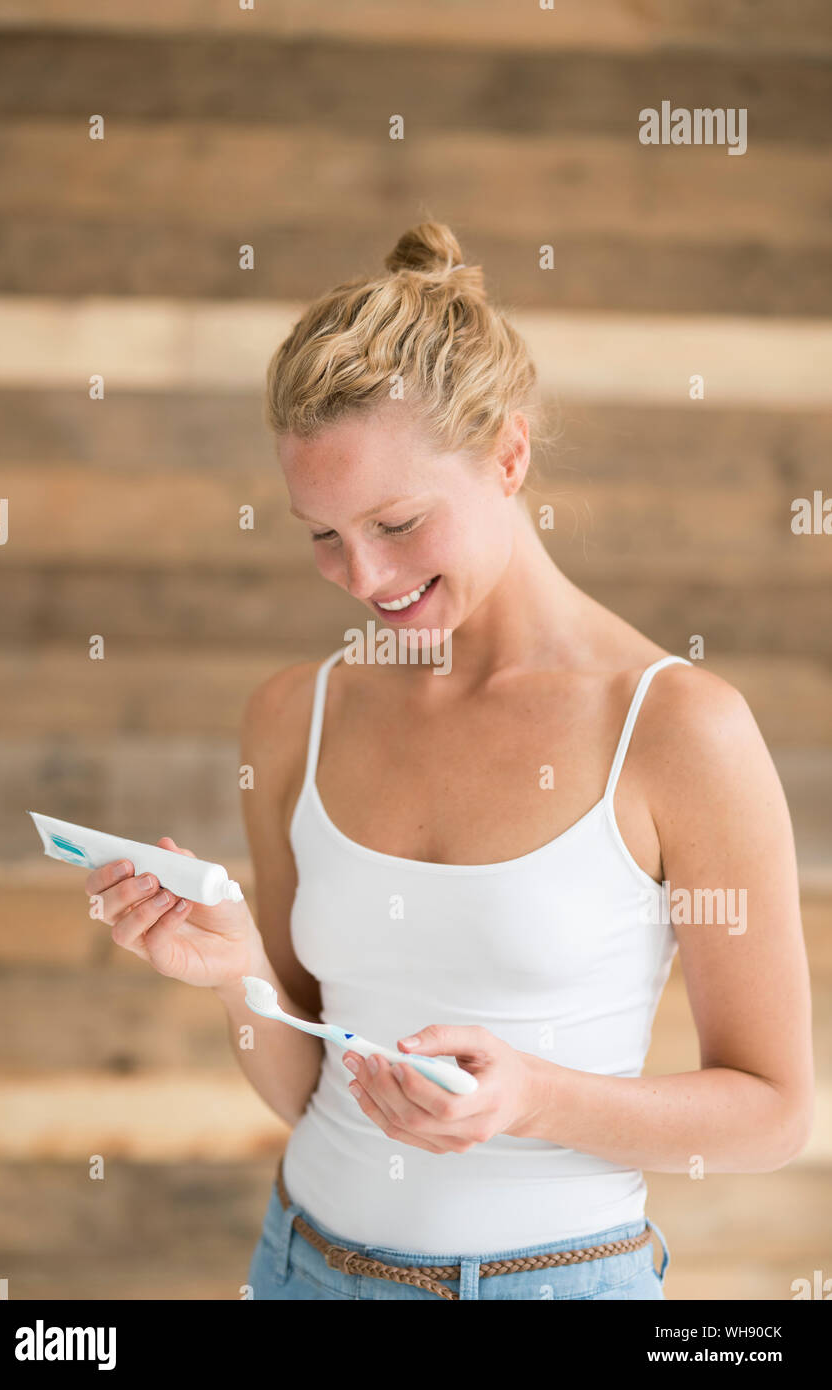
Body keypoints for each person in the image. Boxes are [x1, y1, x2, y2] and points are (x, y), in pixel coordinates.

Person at [86, 222, 814, 1301]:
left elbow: (775, 1112)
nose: (362, 574)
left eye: (398, 521)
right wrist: (237, 966)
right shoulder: (295, 715)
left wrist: (530, 1097)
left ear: (510, 455)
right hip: (298, 1265)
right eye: (322, 533)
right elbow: (308, 1091)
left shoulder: (674, 728)